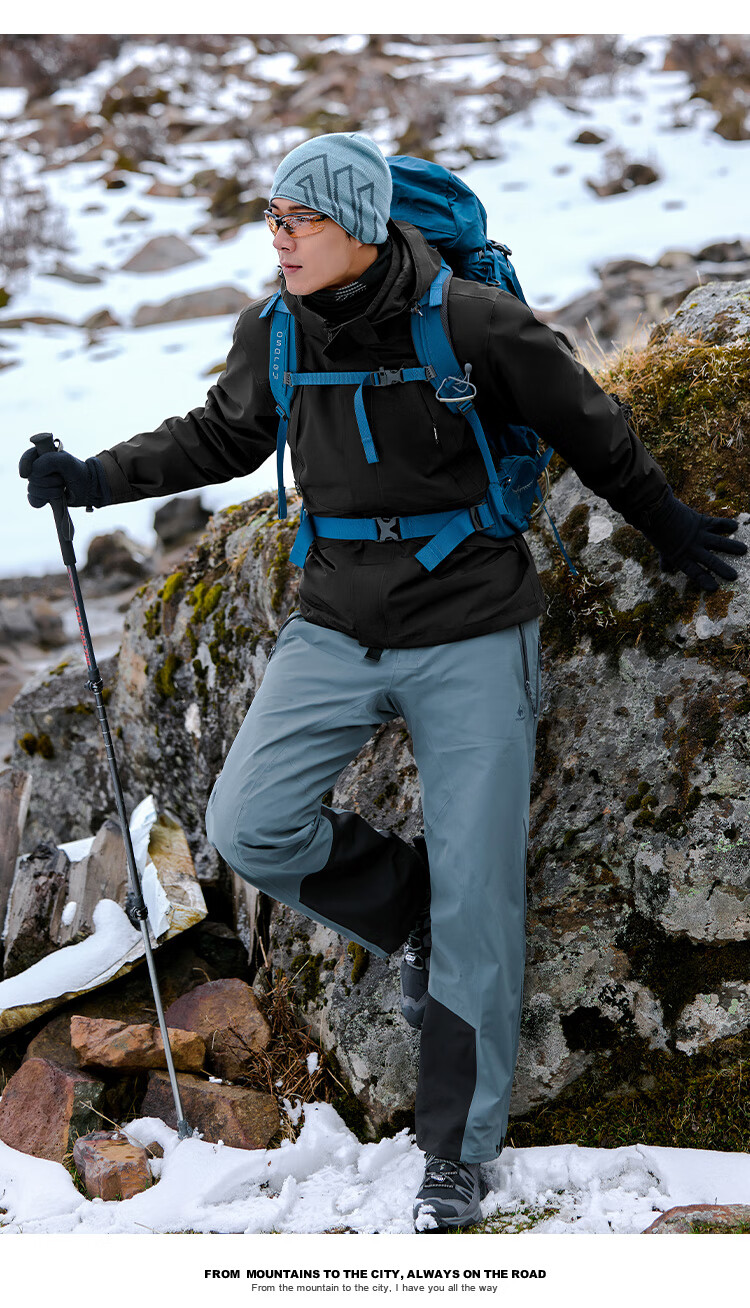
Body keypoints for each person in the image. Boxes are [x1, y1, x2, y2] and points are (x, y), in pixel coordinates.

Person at [21, 131, 746, 1233]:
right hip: (335, 623)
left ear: (358, 224)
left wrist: (673, 528)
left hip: (471, 626)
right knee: (250, 822)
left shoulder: (473, 322)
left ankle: (457, 1152)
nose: (279, 240)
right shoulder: (274, 331)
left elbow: (591, 428)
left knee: (485, 898)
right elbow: (221, 436)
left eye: (298, 220)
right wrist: (93, 476)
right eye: (270, 219)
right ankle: (408, 909)